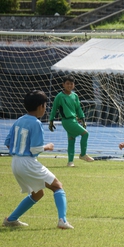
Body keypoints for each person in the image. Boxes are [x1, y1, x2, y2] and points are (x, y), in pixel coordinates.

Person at [2, 90, 74, 229]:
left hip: (15, 162)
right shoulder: (36, 123)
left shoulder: (19, 120)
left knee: (38, 193)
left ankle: (11, 220)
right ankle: (62, 221)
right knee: (57, 186)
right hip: (27, 161)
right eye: (45, 105)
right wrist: (47, 146)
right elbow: (35, 149)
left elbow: (8, 142)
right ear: (41, 106)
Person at [49, 75, 94, 167]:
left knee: (71, 140)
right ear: (63, 84)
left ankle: (70, 162)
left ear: (74, 85)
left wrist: (83, 119)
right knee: (85, 134)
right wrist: (51, 121)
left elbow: (78, 109)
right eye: (67, 83)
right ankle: (83, 155)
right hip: (67, 121)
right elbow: (54, 109)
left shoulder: (75, 96)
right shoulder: (60, 96)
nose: (69, 85)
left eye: (71, 84)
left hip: (74, 120)